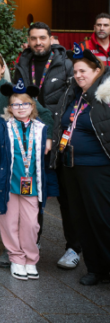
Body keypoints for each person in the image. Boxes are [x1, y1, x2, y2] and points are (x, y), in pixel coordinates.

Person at [0, 50, 55, 262]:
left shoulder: (9, 91)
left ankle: (13, 248)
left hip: (9, 151)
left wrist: (49, 138)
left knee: (10, 198)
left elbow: (42, 113)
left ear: (2, 68)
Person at [14, 21, 76, 268]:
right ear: (28, 41)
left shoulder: (66, 65)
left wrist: (55, 132)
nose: (38, 42)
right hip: (29, 139)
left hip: (59, 140)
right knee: (33, 194)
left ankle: (73, 247)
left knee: (66, 197)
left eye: (42, 38)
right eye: (33, 38)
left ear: (52, 39)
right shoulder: (22, 64)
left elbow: (71, 102)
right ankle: (32, 242)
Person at [51, 44, 110, 286]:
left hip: (97, 169)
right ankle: (95, 269)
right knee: (81, 220)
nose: (78, 75)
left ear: (97, 71)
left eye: (83, 71)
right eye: (75, 71)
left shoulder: (104, 95)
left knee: (102, 219)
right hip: (71, 168)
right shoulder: (75, 95)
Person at [0, 80, 51, 281]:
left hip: (32, 187)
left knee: (31, 224)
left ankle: (30, 258)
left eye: (25, 103)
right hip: (7, 186)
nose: (20, 108)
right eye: (15, 104)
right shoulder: (0, 128)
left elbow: (46, 164)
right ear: (10, 108)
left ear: (32, 106)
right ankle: (16, 258)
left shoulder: (41, 129)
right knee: (9, 223)